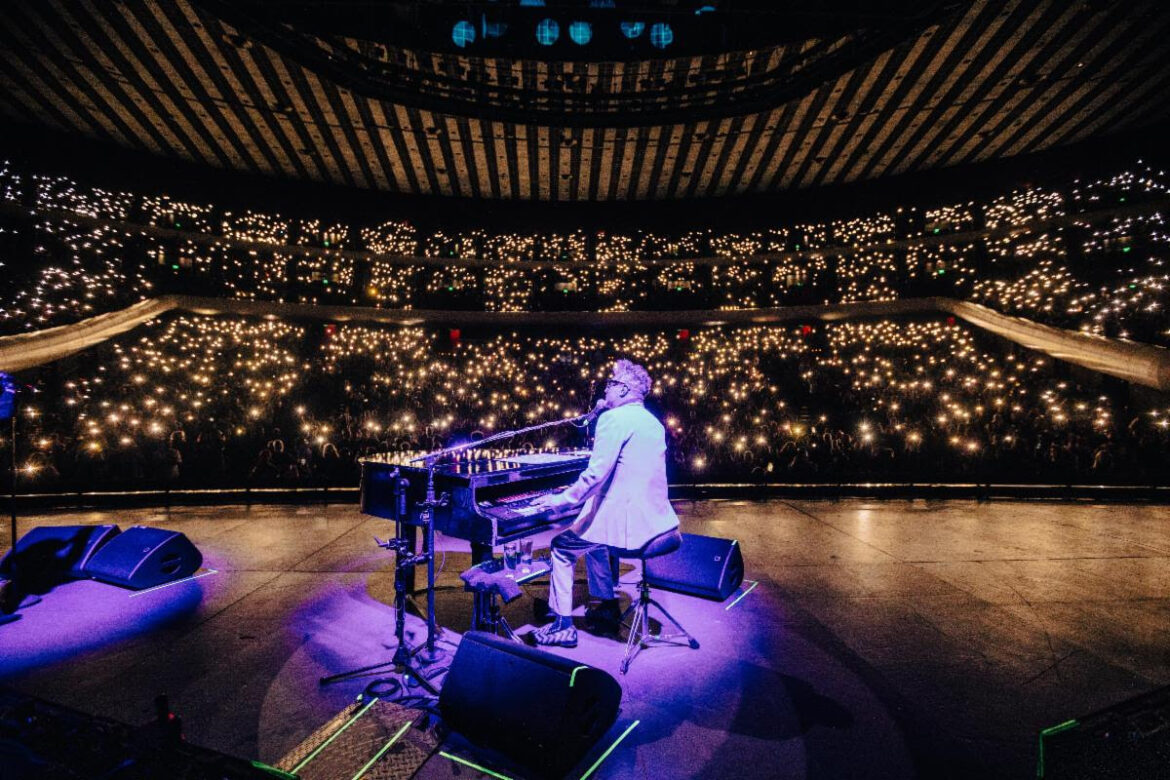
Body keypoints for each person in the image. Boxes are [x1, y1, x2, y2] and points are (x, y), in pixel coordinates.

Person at [527, 359, 679, 648]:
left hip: (627, 524)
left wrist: (560, 500)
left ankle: (562, 625)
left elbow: (596, 475)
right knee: (593, 542)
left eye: (610, 385)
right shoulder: (652, 422)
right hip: (657, 521)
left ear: (622, 390)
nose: (605, 390)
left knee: (561, 547)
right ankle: (607, 604)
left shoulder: (614, 419)